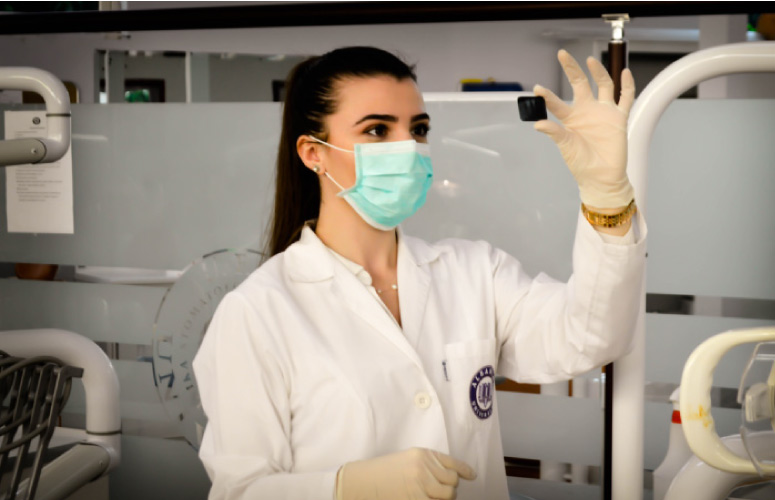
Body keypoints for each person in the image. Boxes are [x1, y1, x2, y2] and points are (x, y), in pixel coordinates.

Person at [193, 46, 647, 500]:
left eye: (418, 129)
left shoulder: (473, 272)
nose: (407, 148)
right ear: (314, 153)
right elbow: (241, 490)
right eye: (376, 129)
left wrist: (607, 199)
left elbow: (592, 335)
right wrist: (345, 488)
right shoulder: (258, 312)